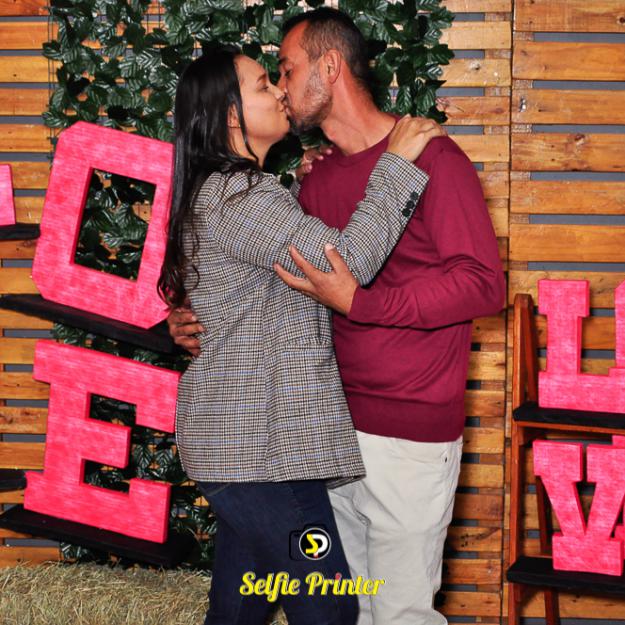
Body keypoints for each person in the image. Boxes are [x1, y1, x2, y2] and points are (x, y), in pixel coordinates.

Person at [168, 10, 505, 625]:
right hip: (299, 440)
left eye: (284, 71)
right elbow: (317, 268)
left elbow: (481, 285)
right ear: (230, 117)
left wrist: (198, 311)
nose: (280, 88)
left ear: (328, 67)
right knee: (331, 604)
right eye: (266, 81)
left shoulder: (430, 159)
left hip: (392, 436)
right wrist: (192, 316)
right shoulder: (277, 188)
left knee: (380, 610)